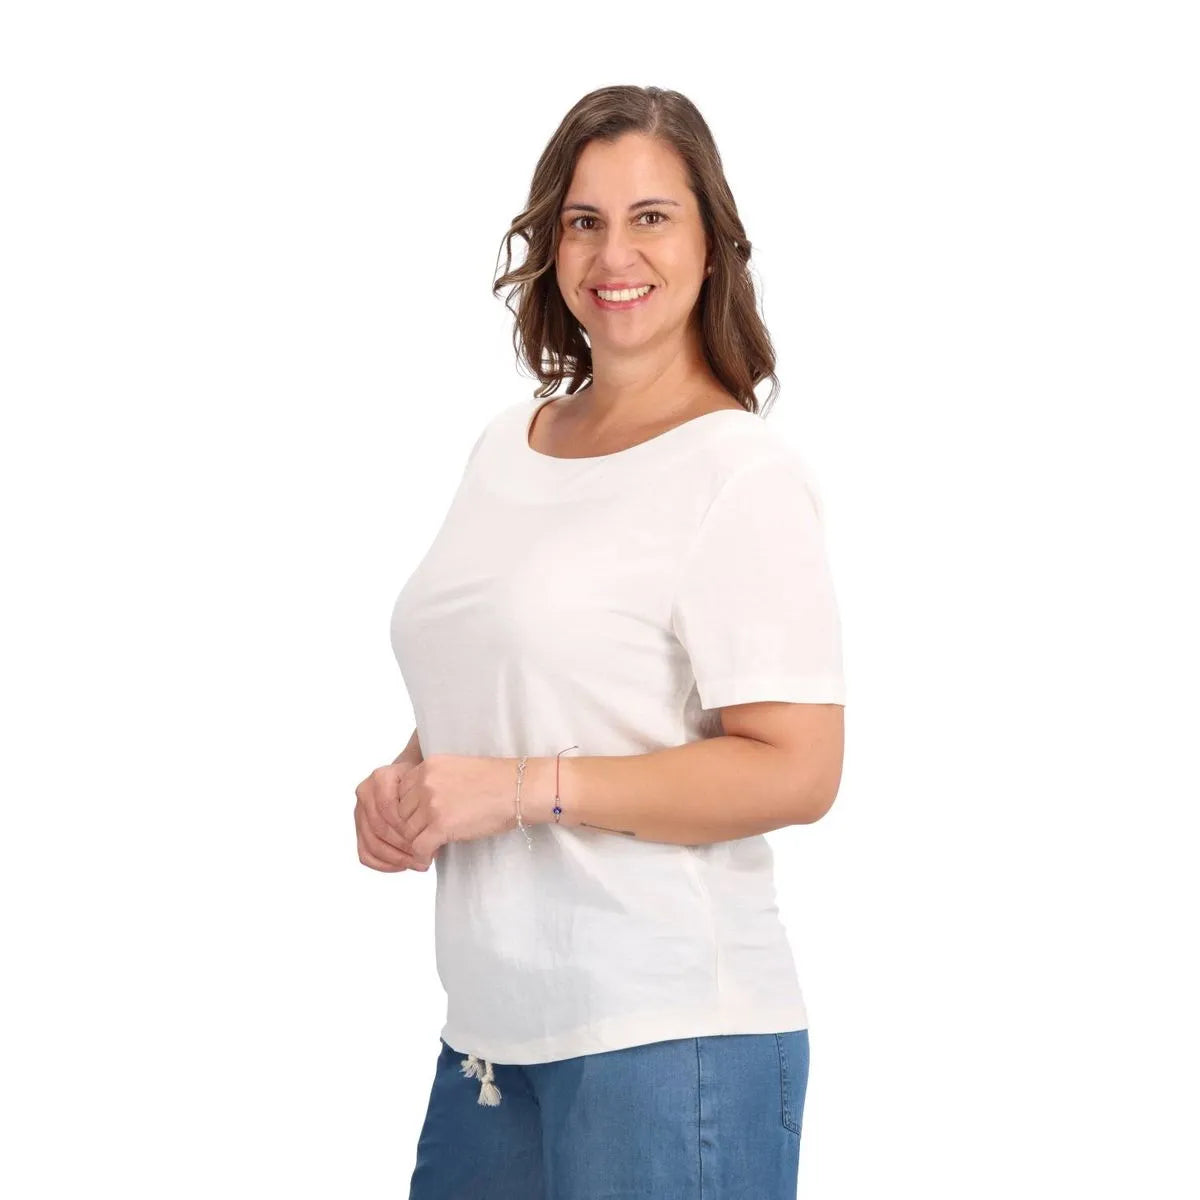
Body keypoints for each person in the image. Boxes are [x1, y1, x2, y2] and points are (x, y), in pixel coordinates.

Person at [355, 84, 846, 1200]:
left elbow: (800, 767)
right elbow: (516, 668)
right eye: (584, 220)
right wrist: (411, 780)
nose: (614, 254)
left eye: (651, 217)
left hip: (672, 1042)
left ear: (712, 245)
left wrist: (516, 790)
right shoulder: (508, 443)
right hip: (491, 1040)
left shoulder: (739, 473)